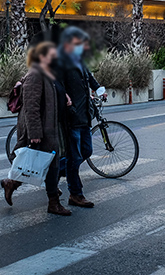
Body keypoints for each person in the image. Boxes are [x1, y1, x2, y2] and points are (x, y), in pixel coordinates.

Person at [1, 41, 73, 215]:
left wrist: (65, 98)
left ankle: (12, 183)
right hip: (42, 129)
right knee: (50, 165)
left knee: (46, 164)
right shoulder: (35, 75)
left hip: (52, 127)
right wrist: (34, 133)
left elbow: (52, 97)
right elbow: (30, 107)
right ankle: (53, 203)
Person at [54, 27, 102, 209]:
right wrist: (67, 99)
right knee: (75, 158)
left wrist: (99, 90)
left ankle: (54, 174)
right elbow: (57, 85)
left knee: (86, 152)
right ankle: (75, 194)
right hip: (72, 118)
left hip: (84, 117)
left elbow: (90, 79)